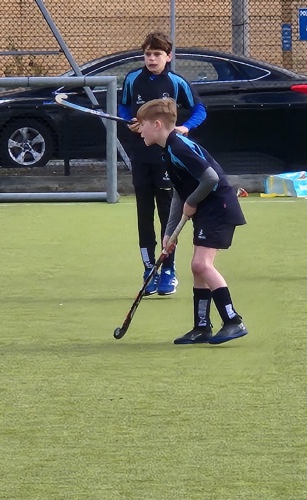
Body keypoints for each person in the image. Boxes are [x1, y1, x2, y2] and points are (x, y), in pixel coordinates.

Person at [136, 97, 247, 345]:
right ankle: (201, 327)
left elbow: (210, 178)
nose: (139, 130)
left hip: (218, 207)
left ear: (156, 124)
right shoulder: (169, 150)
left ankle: (233, 320)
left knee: (201, 265)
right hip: (207, 209)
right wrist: (169, 232)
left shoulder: (179, 147)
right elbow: (180, 192)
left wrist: (193, 201)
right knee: (197, 267)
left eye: (142, 125)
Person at [119, 31, 207, 296]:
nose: (152, 59)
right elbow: (124, 107)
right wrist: (129, 121)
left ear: (168, 56)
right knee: (143, 213)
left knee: (168, 215)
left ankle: (168, 269)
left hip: (167, 159)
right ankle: (149, 269)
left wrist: (185, 128)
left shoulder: (177, 82)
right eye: (148, 54)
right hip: (140, 157)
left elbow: (200, 110)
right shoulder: (132, 79)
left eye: (157, 54)